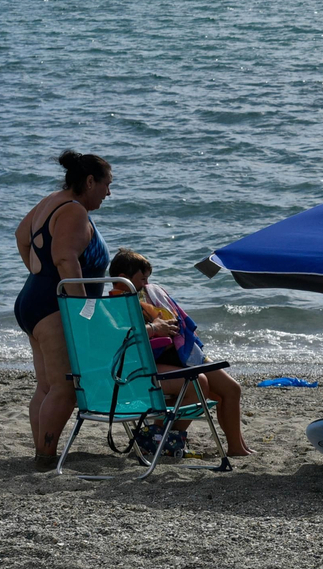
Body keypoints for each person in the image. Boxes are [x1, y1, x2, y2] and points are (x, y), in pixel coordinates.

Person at [13, 150, 111, 464]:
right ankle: (45, 457)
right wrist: (82, 312)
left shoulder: (51, 201)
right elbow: (65, 259)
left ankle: (42, 452)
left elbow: (22, 236)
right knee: (65, 388)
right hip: (55, 308)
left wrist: (38, 274)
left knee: (47, 386)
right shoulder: (74, 211)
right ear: (90, 181)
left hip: (34, 302)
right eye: (107, 185)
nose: (108, 193)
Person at [108, 249, 252, 457]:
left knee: (231, 389)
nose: (147, 284)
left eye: (148, 279)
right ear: (123, 277)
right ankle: (164, 439)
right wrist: (156, 328)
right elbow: (119, 337)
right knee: (199, 384)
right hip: (149, 363)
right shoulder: (114, 304)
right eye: (142, 279)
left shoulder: (144, 297)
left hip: (178, 355)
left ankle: (237, 446)